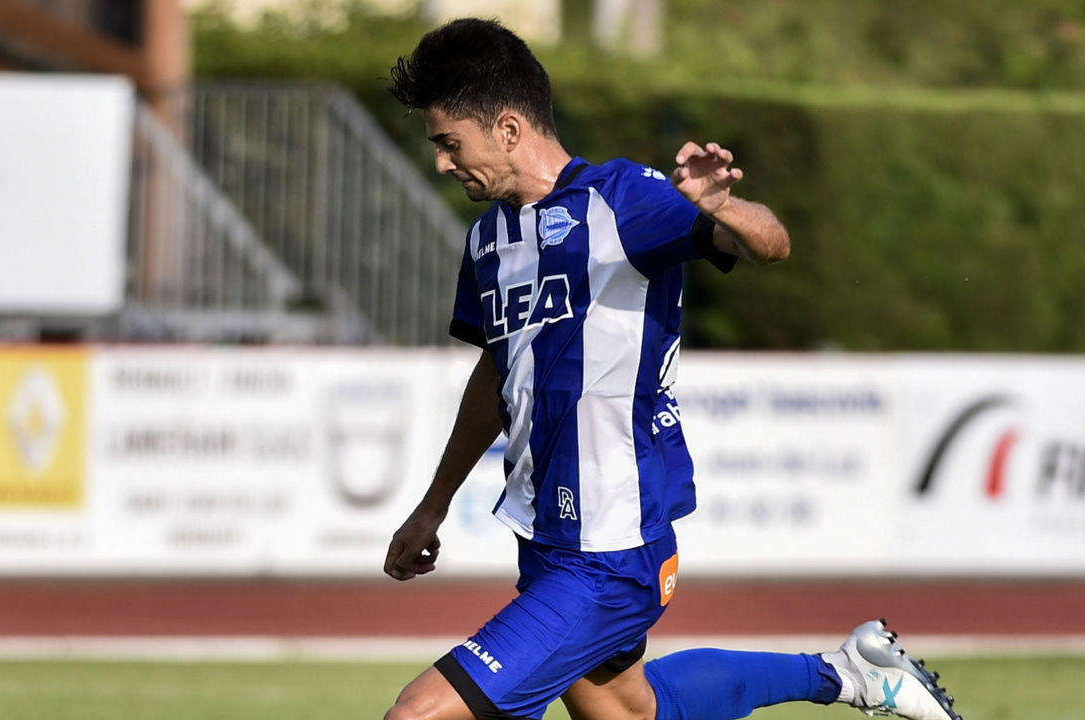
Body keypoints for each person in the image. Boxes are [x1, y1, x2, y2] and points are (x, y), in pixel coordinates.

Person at [381, 18, 962, 720]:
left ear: (507, 129)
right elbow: (495, 376)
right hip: (544, 538)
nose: (443, 163)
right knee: (631, 711)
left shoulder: (622, 199)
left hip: (610, 551)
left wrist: (723, 208)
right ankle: (849, 673)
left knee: (418, 716)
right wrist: (435, 503)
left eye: (449, 143)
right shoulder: (487, 239)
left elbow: (770, 245)